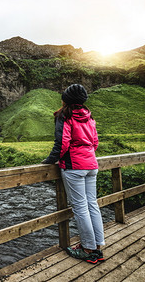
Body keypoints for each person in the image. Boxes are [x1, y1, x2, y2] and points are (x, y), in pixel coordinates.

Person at [42, 84, 105, 264]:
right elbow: (95, 143)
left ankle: (87, 249)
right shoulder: (89, 116)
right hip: (91, 165)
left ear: (66, 100)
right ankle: (97, 247)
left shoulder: (65, 116)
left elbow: (62, 144)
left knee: (80, 207)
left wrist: (48, 161)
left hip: (74, 166)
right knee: (92, 204)